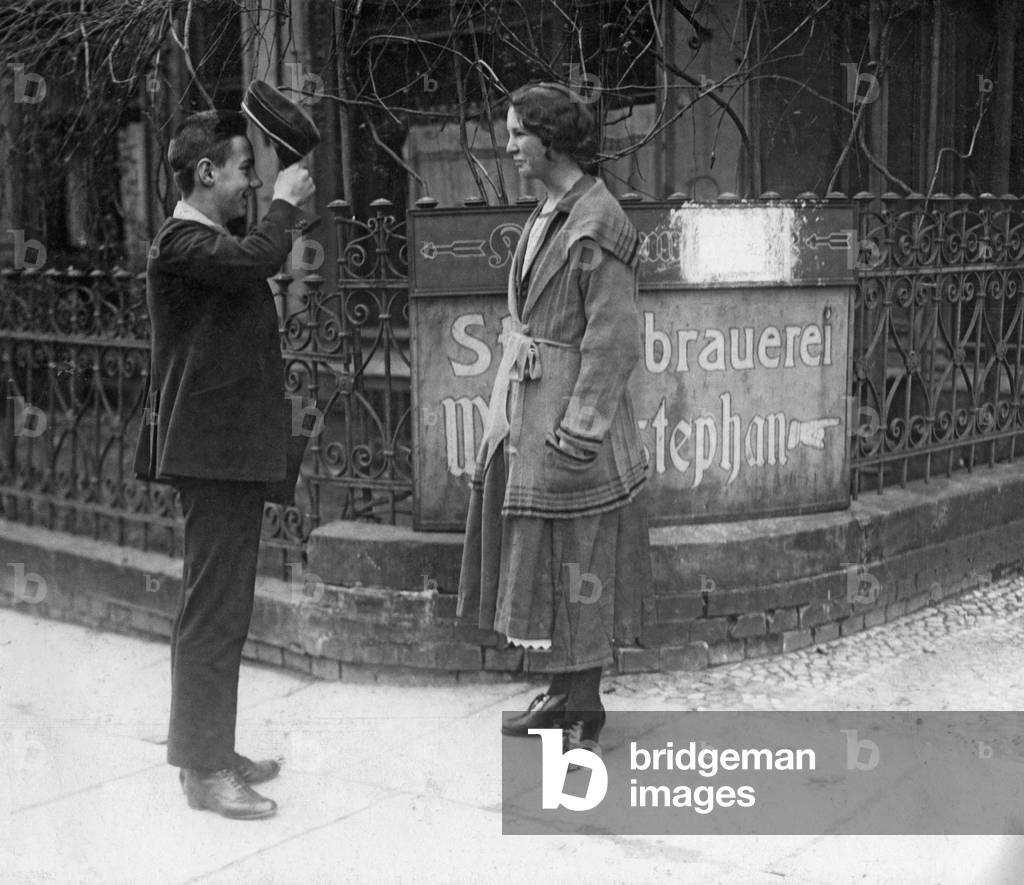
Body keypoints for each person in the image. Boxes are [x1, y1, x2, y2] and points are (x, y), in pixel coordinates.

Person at [457, 82, 652, 759]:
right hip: (538, 413)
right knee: (554, 563)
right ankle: (561, 692)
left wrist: (581, 428)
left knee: (583, 564)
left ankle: (583, 711)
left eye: (516, 134)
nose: (508, 146)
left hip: (575, 428)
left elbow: (616, 338)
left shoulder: (598, 220)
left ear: (550, 142)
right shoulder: (553, 208)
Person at [133, 109, 315, 819]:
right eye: (245, 170)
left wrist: (276, 210)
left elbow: (249, 261)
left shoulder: (208, 240)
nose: (252, 183)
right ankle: (203, 770)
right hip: (210, 457)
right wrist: (285, 205)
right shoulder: (182, 242)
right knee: (212, 610)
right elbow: (253, 261)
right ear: (206, 174)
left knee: (225, 608)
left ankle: (214, 749)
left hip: (225, 452)